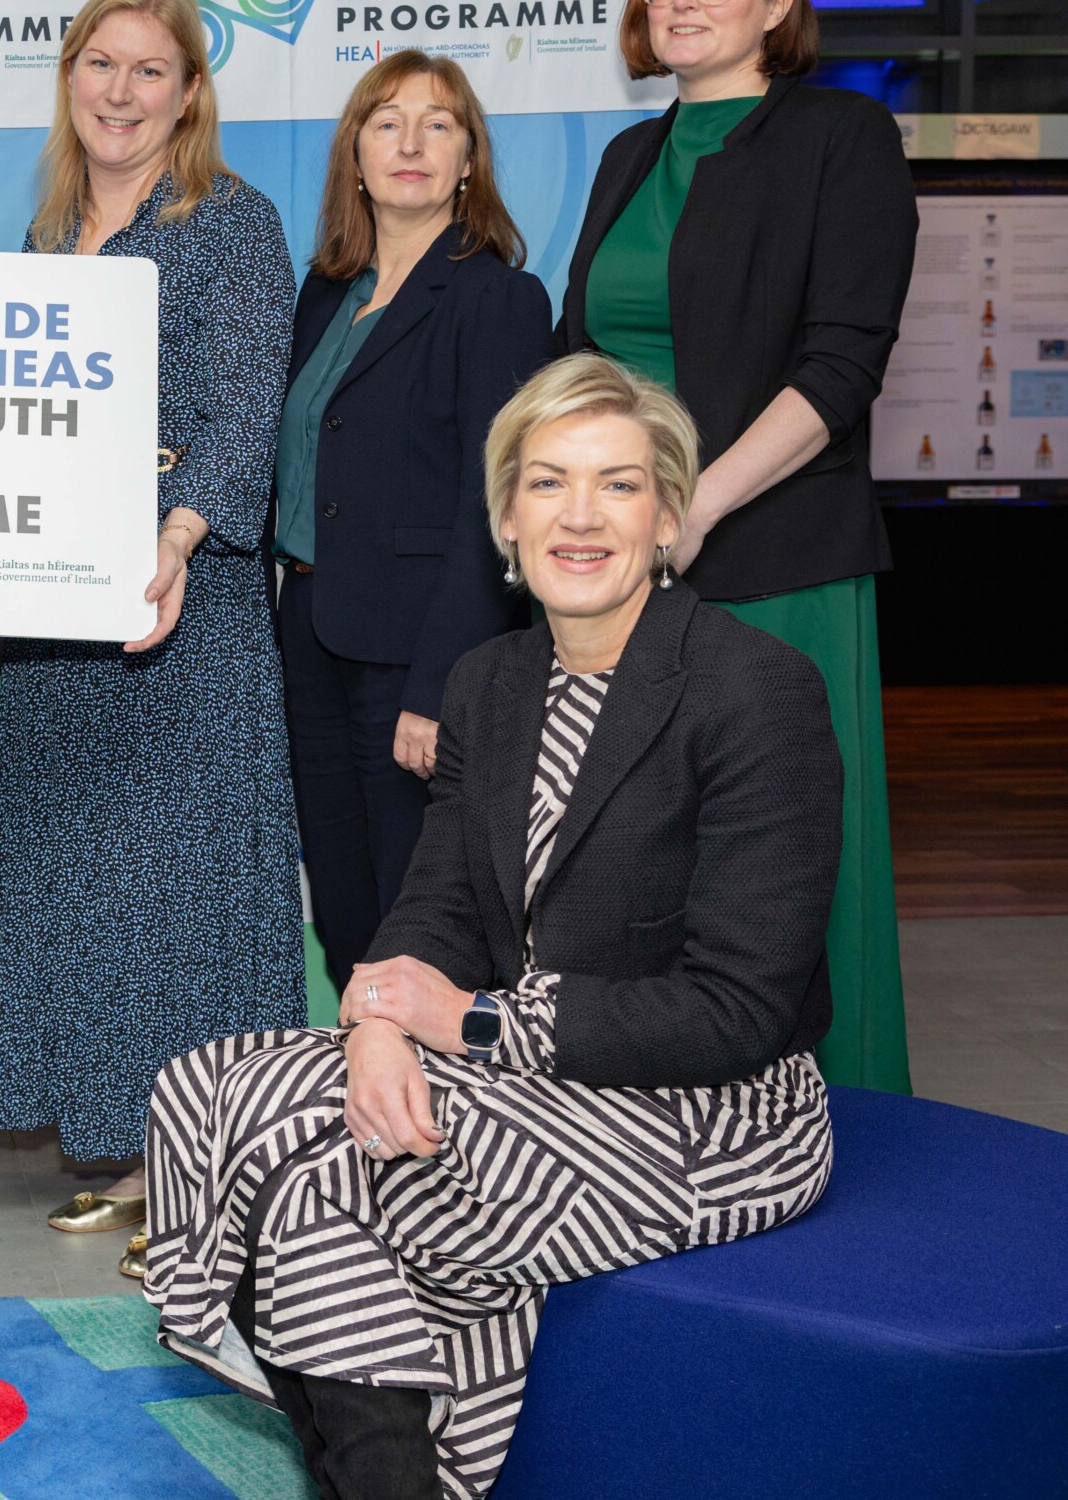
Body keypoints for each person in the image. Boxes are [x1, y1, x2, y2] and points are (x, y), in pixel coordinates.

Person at [142, 354, 839, 1500]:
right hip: (528, 1073)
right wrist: (375, 1021)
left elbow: (739, 1009)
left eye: (617, 486)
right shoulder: (490, 682)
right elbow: (442, 904)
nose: (579, 516)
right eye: (547, 483)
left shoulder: (752, 690)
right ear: (504, 518)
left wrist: (462, 1025)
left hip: (710, 1112)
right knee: (201, 1084)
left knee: (326, 1188)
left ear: (668, 513)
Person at [0, 0, 304, 1280]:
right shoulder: (47, 229)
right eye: (99, 65)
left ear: (189, 93)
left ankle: (206, 1169)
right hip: (62, 618)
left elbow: (243, 408)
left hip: (185, 605)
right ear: (70, 78)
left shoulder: (232, 222)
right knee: (86, 884)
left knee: (187, 891)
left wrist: (173, 536)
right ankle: (126, 1149)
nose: (119, 91)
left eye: (148, 71)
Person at [560, 0, 914, 1092]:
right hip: (620, 562)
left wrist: (695, 503)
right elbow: (584, 356)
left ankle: (841, 1106)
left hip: (773, 559)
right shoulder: (630, 154)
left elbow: (841, 364)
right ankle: (669, 1118)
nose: (685, 2)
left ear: (777, 6)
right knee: (644, 857)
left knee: (784, 858)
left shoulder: (838, 137)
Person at [276, 51, 554, 991]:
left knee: (418, 909)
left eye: (439, 124)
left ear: (469, 158)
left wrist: (439, 687)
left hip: (415, 659)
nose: (412, 142)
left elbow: (498, 507)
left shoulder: (500, 298)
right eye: (387, 120)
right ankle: (374, 1108)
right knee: (347, 906)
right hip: (310, 637)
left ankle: (442, 1127)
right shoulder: (325, 292)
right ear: (354, 154)